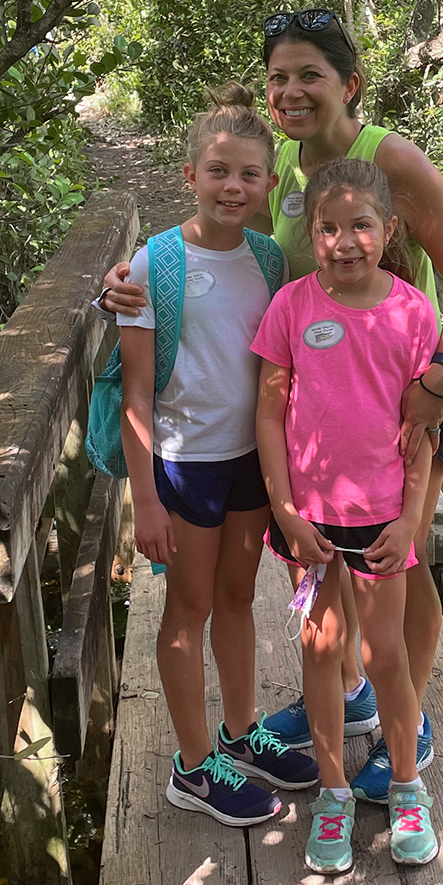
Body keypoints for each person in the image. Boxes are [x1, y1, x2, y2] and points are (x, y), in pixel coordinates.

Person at [100, 11, 443, 802]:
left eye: (309, 74)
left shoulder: (390, 158)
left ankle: (409, 722)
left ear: (350, 84)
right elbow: (245, 276)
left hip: (408, 402)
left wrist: (440, 377)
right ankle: (346, 699)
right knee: (331, 578)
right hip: (314, 428)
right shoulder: (279, 173)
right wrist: (128, 282)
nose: (291, 91)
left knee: (399, 564)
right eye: (279, 76)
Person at [117, 87, 323, 827]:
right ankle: (194, 767)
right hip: (184, 464)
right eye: (218, 172)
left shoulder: (269, 259)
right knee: (189, 609)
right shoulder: (152, 265)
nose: (232, 187)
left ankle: (242, 734)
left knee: (238, 600)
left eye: (248, 175)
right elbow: (135, 396)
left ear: (269, 185)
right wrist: (144, 497)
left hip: (249, 462)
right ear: (190, 176)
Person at [252, 155, 443, 873]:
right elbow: (269, 413)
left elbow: (421, 428)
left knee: (385, 654)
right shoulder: (293, 307)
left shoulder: (412, 311)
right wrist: (285, 507)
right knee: (321, 651)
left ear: (387, 229)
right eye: (328, 227)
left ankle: (405, 784)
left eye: (360, 225)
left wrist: (409, 516)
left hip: (382, 519)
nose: (344, 241)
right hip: (309, 519)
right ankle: (332, 795)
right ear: (313, 233)